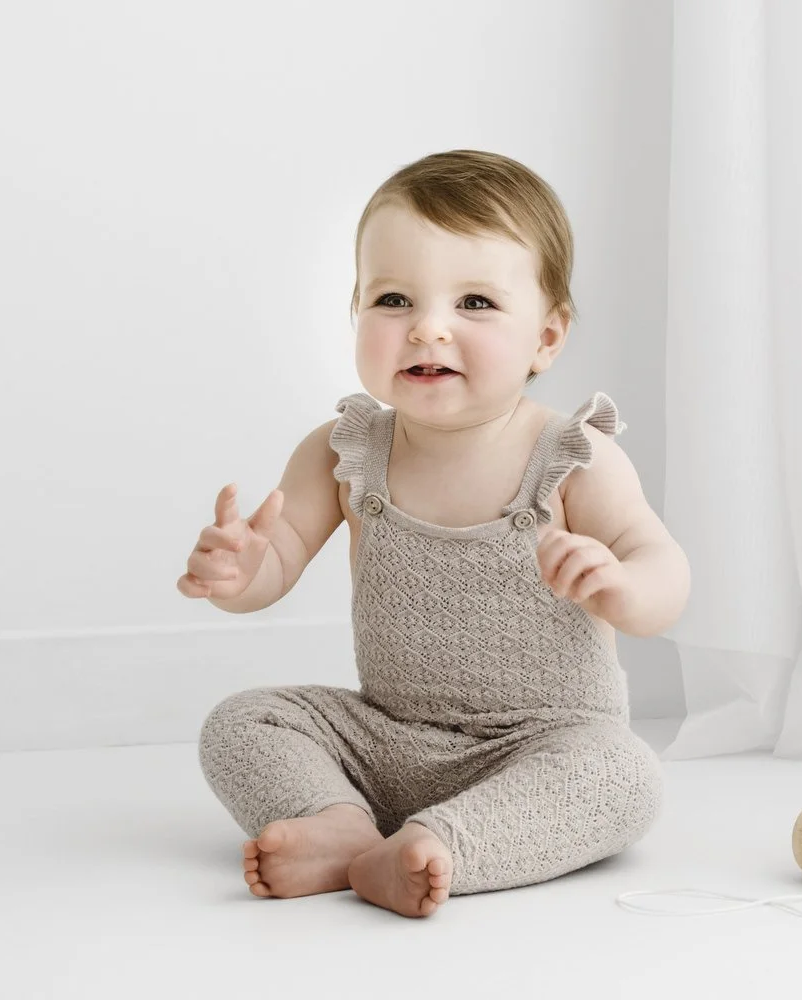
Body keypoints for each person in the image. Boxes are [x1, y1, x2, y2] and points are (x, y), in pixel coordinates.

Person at [183, 149, 690, 918]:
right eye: (392, 299)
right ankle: (344, 827)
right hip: (387, 737)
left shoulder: (574, 457)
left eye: (475, 304)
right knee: (245, 721)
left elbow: (665, 571)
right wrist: (242, 572)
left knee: (624, 775)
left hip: (543, 741)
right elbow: (275, 567)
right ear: (355, 312)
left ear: (547, 339)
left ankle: (441, 846)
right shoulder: (345, 452)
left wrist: (625, 585)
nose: (427, 329)